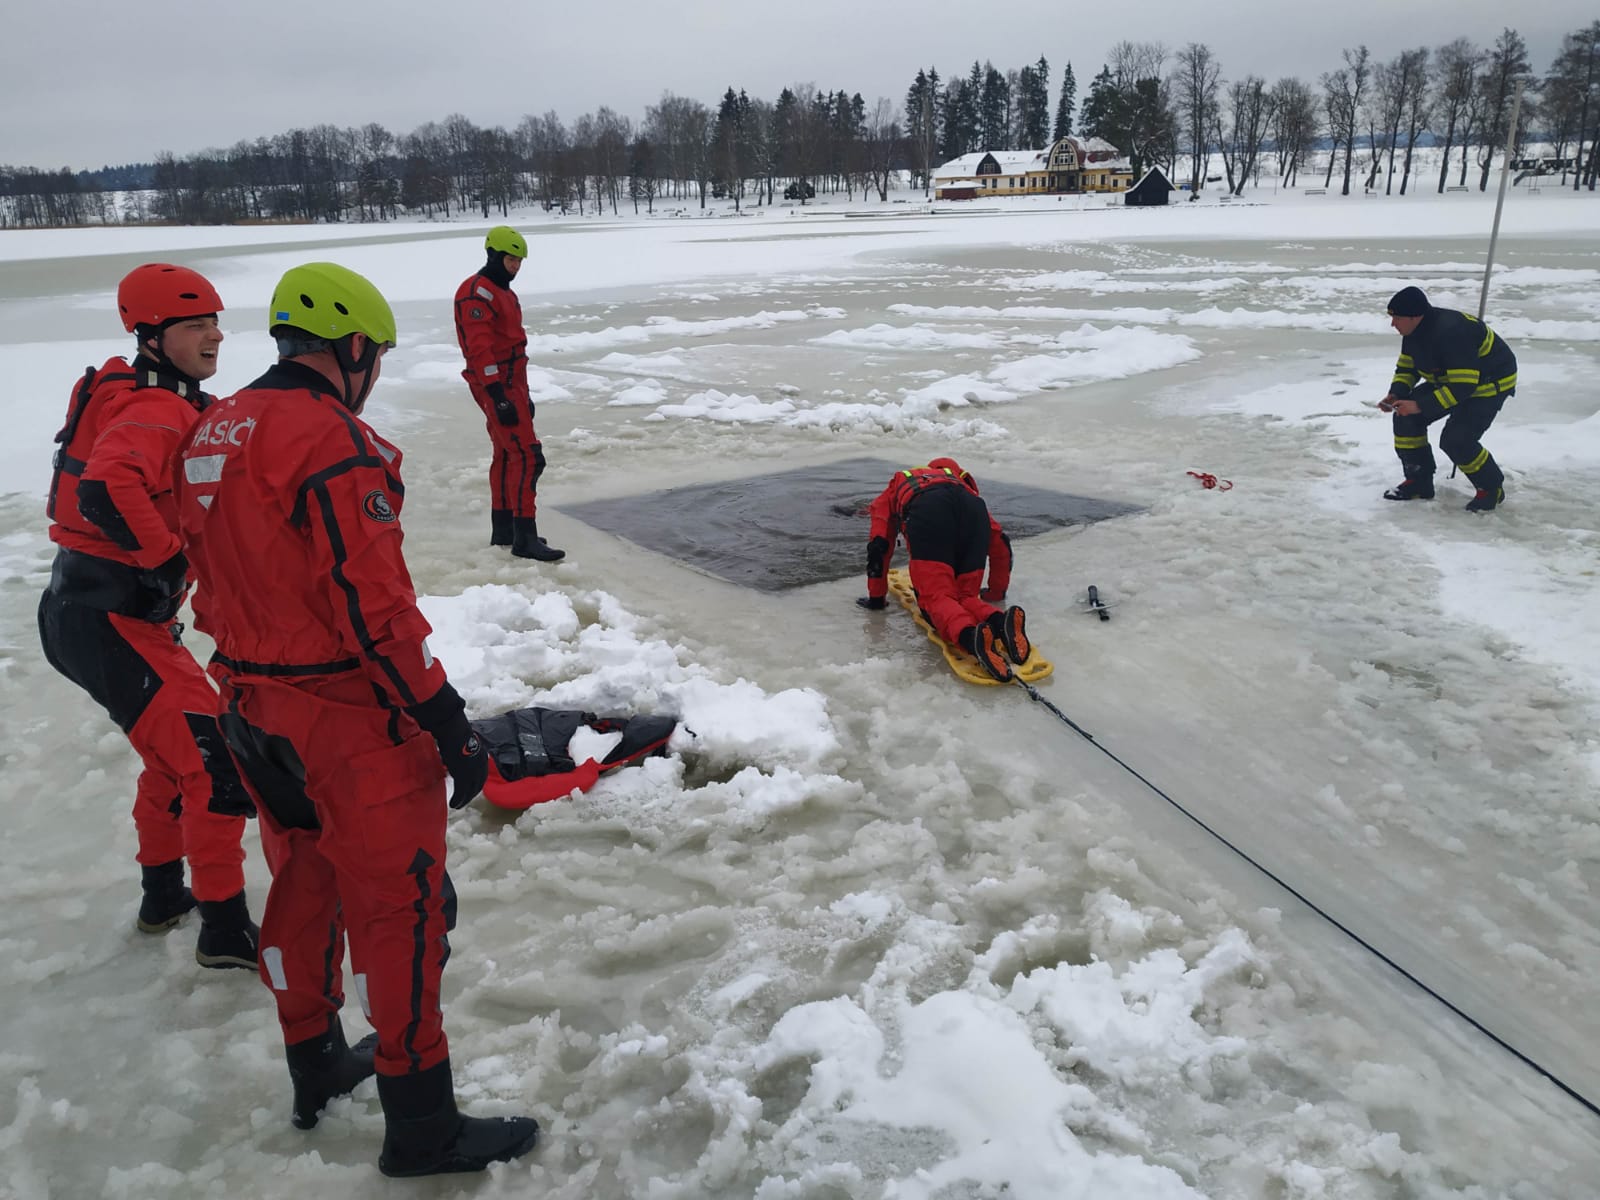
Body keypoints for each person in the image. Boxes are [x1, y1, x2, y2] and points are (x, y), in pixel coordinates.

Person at [171, 262, 539, 1176]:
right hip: (342, 716)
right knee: (400, 907)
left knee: (301, 878)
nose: (371, 370)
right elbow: (373, 600)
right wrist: (445, 719)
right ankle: (422, 1125)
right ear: (353, 348)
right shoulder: (332, 439)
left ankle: (315, 1060)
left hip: (251, 706)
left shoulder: (212, 428)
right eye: (371, 356)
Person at [37, 263, 257, 969]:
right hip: (110, 620)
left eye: (216, 322)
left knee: (175, 756)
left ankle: (163, 896)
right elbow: (105, 489)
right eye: (196, 326)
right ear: (152, 337)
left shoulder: (150, 394)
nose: (214, 335)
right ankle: (224, 930)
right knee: (215, 761)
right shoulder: (157, 408)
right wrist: (166, 561)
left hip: (89, 615)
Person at [856, 457, 1029, 683]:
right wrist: (996, 592)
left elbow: (879, 546)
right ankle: (1000, 621)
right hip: (974, 514)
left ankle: (971, 638)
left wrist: (877, 599)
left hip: (928, 511)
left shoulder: (898, 485)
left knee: (936, 597)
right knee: (965, 595)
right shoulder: (965, 489)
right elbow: (1001, 545)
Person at [454, 225, 563, 561]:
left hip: (512, 381)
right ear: (493, 255)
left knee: (506, 453)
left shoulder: (501, 291)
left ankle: (504, 531)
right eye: (510, 259)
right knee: (529, 457)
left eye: (518, 261)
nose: (515, 266)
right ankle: (524, 537)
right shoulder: (477, 294)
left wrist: (521, 393)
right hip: (496, 383)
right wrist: (498, 395)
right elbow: (480, 350)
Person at [1378, 286, 1517, 512]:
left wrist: (1420, 405)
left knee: (1457, 440)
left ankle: (1491, 489)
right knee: (1405, 418)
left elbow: (1464, 386)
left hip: (1487, 384)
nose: (1393, 323)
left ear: (1415, 316)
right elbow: (1407, 367)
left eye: (1397, 318)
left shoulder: (1453, 333)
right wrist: (1397, 393)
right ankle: (1419, 481)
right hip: (1451, 379)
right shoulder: (1413, 332)